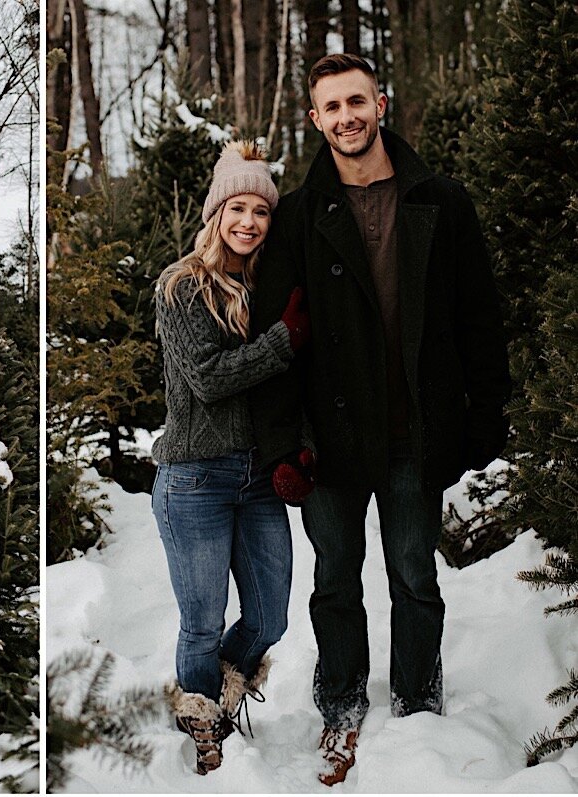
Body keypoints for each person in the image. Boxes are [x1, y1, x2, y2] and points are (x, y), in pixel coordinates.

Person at [249, 53, 512, 786]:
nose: (345, 117)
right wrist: (282, 443)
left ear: (381, 104)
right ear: (314, 120)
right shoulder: (299, 215)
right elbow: (275, 337)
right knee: (334, 576)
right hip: (327, 439)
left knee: (412, 574)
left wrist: (483, 414)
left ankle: (418, 697)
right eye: (330, 107)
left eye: (355, 101)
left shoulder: (440, 201)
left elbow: (477, 317)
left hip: (413, 429)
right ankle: (338, 699)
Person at [151, 140, 314, 776]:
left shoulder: (268, 284)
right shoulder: (182, 286)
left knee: (271, 612)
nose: (249, 222)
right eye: (237, 208)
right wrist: (283, 340)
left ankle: (220, 689)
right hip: (195, 477)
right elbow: (209, 378)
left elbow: (284, 385)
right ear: (216, 214)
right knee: (201, 619)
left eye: (262, 211)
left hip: (257, 476)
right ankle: (204, 723)